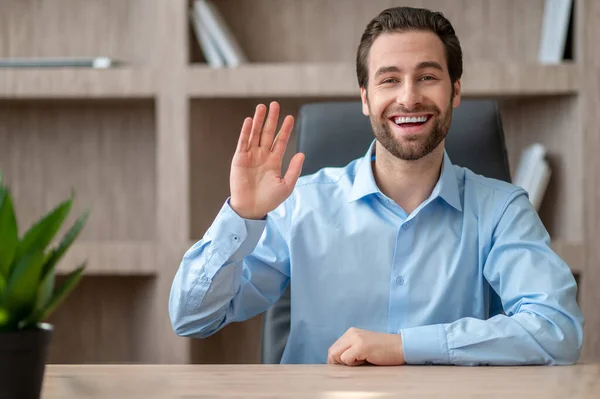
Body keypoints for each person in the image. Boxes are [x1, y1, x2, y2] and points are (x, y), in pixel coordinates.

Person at [169, 6, 584, 366]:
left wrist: (407, 347)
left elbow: (557, 330)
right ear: (365, 98)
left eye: (427, 77)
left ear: (455, 91)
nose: (408, 97)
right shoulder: (301, 204)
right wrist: (243, 216)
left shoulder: (502, 209)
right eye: (389, 80)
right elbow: (192, 317)